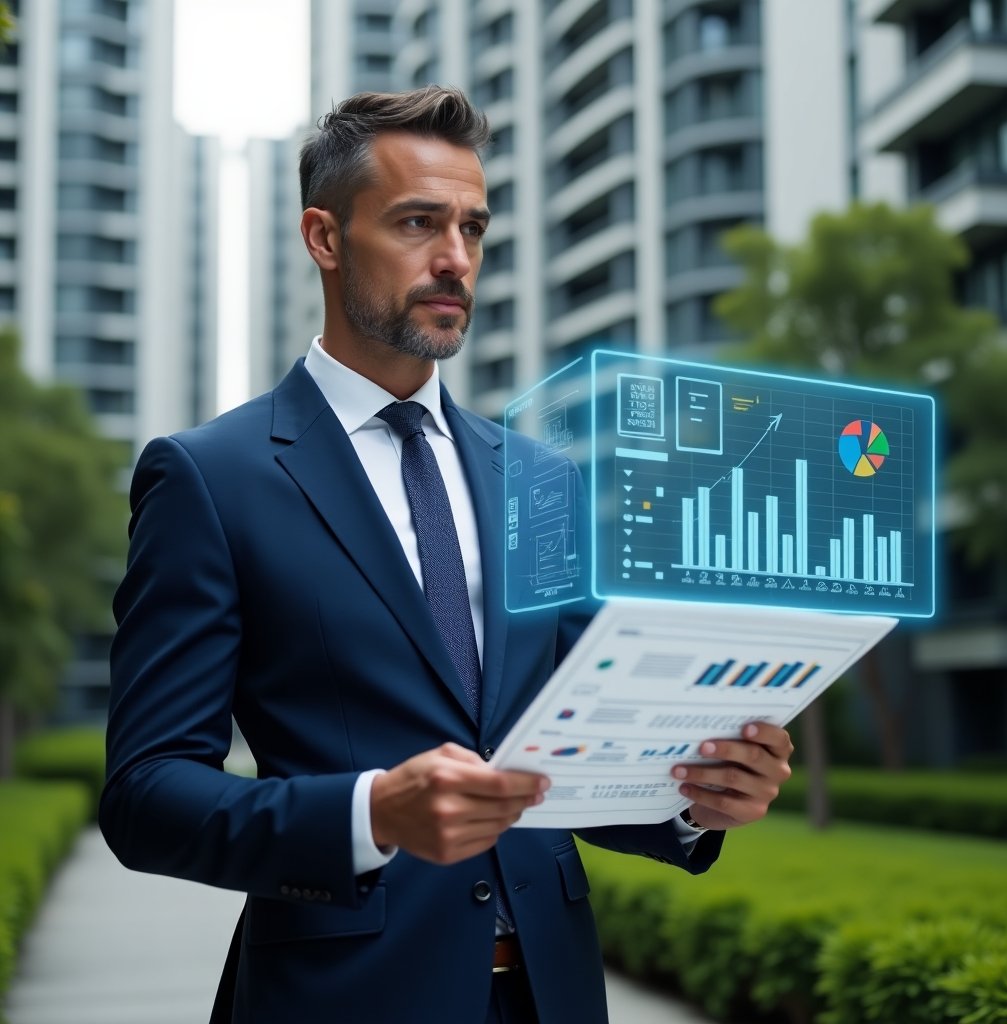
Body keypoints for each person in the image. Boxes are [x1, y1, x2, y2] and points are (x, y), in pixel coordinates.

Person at [100, 86, 794, 1024]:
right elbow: (147, 797)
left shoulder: (538, 479)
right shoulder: (209, 478)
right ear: (325, 237)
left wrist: (692, 796)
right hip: (344, 997)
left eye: (473, 227)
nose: (455, 260)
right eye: (418, 223)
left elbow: (567, 761)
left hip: (552, 994)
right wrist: (370, 815)